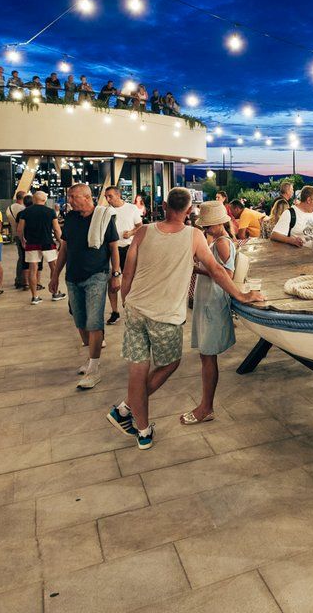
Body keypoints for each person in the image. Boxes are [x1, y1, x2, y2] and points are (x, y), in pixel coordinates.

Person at [105, 189, 264, 449]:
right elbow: (217, 270)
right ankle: (126, 409)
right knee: (170, 364)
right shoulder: (194, 235)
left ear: (164, 206)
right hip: (165, 314)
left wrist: (125, 300)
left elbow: (129, 271)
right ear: (189, 211)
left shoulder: (143, 231)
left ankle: (142, 431)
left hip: (135, 308)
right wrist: (241, 295)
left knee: (137, 368)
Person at [50, 184, 119, 389]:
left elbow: (113, 247)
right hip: (73, 276)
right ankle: (91, 358)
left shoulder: (104, 217)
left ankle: (94, 369)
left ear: (87, 197)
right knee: (80, 320)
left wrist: (116, 274)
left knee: (94, 320)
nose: (69, 200)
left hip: (97, 275)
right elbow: (64, 248)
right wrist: (55, 275)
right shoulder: (71, 218)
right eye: (69, 196)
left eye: (73, 197)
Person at [180, 201, 237, 425]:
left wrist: (197, 268)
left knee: (208, 355)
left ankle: (206, 407)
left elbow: (227, 275)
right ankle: (206, 405)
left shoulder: (222, 242)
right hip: (207, 299)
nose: (205, 228)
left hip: (213, 301)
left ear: (219, 223)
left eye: (208, 225)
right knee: (205, 355)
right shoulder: (219, 240)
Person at [103, 185, 144, 325]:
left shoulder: (131, 208)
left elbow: (140, 226)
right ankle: (115, 311)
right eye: (106, 197)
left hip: (127, 248)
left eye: (110, 196)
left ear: (118, 195)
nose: (108, 199)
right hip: (110, 249)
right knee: (112, 281)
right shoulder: (106, 211)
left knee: (130, 280)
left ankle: (129, 308)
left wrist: (131, 233)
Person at [17, 190, 65, 305]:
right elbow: (56, 229)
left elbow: (19, 229)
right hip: (48, 243)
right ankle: (55, 293)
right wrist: (60, 242)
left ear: (34, 199)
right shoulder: (50, 211)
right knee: (54, 268)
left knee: (32, 270)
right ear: (44, 200)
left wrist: (22, 240)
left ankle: (35, 297)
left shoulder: (25, 212)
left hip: (32, 243)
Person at [6, 191, 28, 290]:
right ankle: (21, 280)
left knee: (21, 257)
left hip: (15, 234)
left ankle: (19, 279)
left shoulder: (9, 208)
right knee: (24, 258)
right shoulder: (22, 209)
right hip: (23, 235)